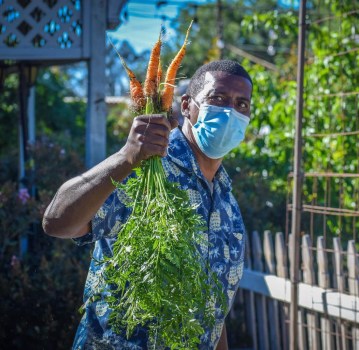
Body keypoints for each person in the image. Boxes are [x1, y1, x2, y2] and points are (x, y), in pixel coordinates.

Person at [42, 60, 253, 350]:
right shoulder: (146, 169)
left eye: (242, 104)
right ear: (187, 106)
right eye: (218, 99)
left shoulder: (228, 202)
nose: (231, 111)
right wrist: (125, 157)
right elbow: (56, 222)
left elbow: (213, 311)